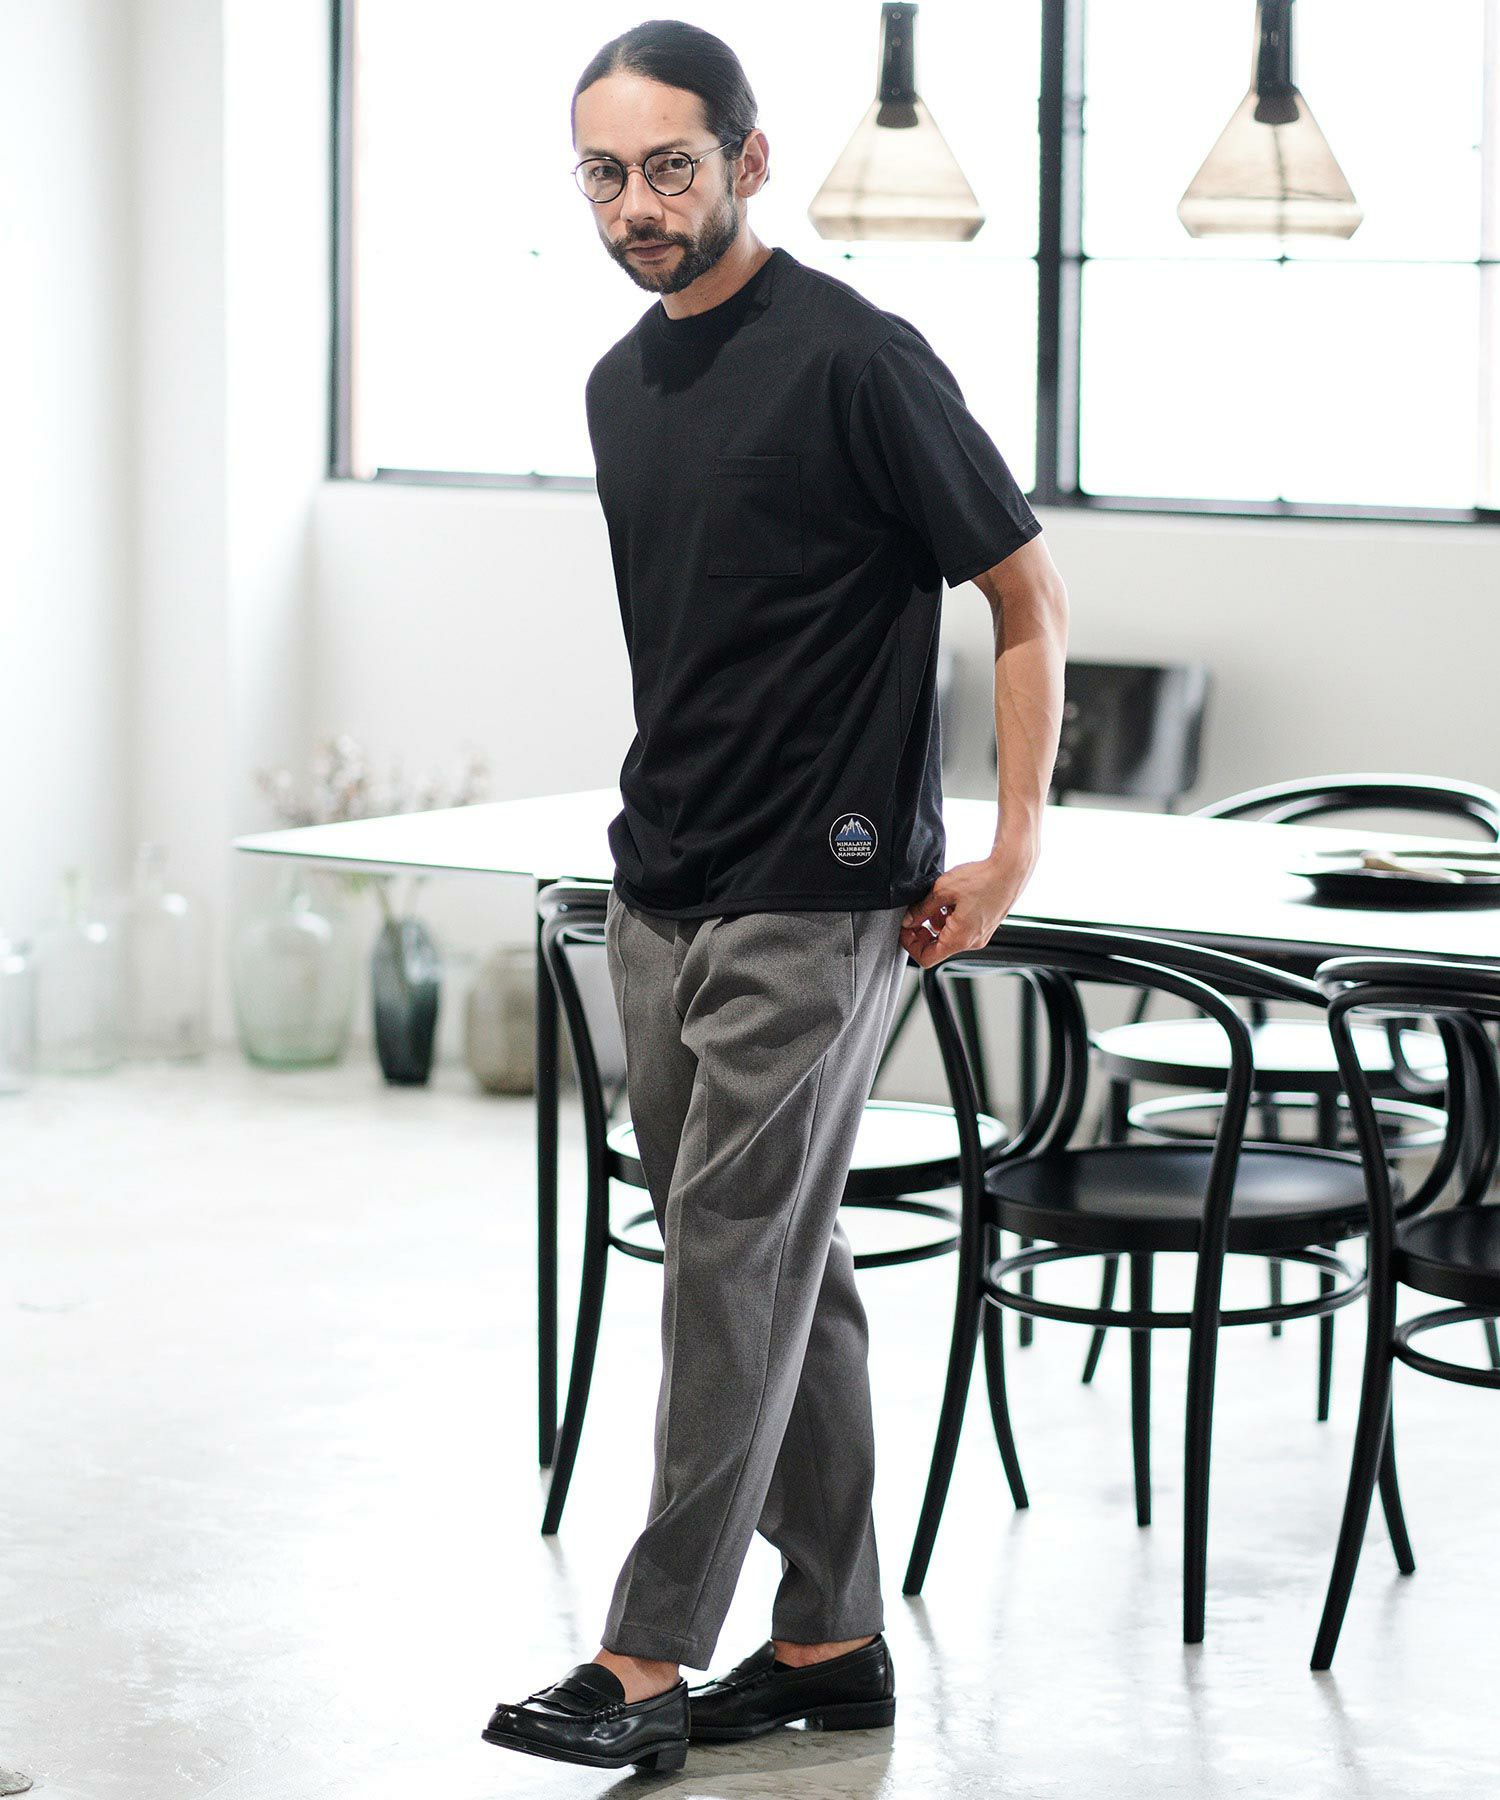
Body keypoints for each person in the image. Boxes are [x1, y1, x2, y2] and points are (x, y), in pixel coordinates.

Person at [482, 18, 1068, 1775]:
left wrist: (1012, 849)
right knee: (765, 1260)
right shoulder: (618, 388)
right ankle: (828, 1638)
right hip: (663, 879)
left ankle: (647, 1654)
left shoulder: (857, 360)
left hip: (826, 888)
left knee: (727, 1264)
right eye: (605, 175)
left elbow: (1024, 597)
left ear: (748, 159)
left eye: (670, 166)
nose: (637, 206)